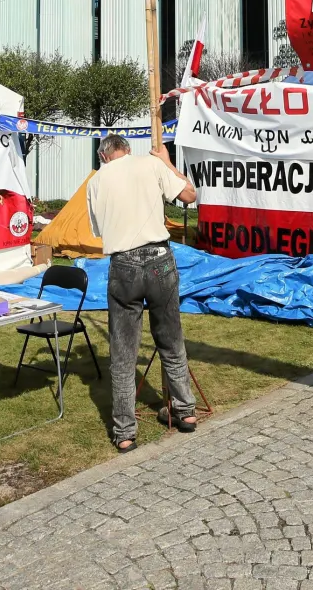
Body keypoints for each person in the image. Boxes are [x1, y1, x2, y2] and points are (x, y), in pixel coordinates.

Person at [86, 136, 198, 453]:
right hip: (159, 259)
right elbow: (190, 194)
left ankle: (124, 432)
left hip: (123, 264)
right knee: (171, 339)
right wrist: (166, 160)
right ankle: (185, 411)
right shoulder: (150, 163)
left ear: (104, 156)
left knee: (123, 354)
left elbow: (97, 231)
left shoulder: (96, 182)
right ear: (127, 149)